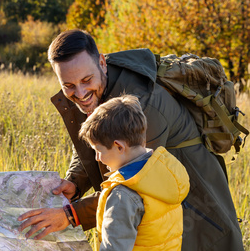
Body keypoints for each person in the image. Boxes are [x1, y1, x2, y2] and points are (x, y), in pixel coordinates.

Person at [18, 30, 244, 250]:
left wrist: (71, 214)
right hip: (163, 198)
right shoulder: (97, 86)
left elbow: (137, 182)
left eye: (86, 80)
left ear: (102, 63)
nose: (80, 92)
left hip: (196, 198)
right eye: (68, 85)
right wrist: (75, 183)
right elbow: (97, 141)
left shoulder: (141, 106)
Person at [79, 94, 189, 250]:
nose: (97, 158)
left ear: (119, 147)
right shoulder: (164, 174)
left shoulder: (123, 195)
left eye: (98, 150)